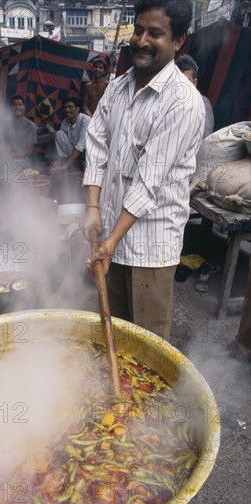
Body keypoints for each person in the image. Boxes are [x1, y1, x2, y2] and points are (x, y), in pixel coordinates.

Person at [81, 0, 205, 341]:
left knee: (147, 343)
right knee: (115, 334)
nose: (142, 41)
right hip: (112, 234)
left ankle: (153, 397)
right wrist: (93, 206)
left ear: (179, 41)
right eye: (138, 31)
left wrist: (109, 242)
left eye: (156, 34)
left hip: (150, 245)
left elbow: (149, 182)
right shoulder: (119, 87)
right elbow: (96, 142)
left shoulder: (182, 102)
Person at [175, 54, 214, 138]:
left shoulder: (202, 103)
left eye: (187, 81)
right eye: (178, 79)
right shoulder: (166, 98)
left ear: (194, 83)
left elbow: (206, 137)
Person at [51, 97, 90, 172]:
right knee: (59, 134)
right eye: (65, 107)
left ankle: (70, 164)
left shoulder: (86, 120)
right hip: (75, 155)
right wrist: (60, 161)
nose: (67, 110)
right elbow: (62, 144)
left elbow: (80, 146)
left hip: (88, 155)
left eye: (70, 106)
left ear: (77, 109)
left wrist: (65, 164)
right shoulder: (65, 122)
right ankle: (71, 164)